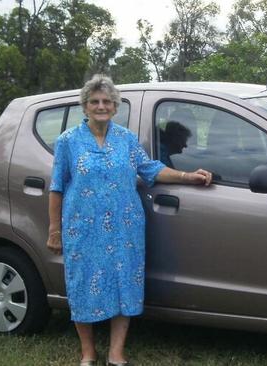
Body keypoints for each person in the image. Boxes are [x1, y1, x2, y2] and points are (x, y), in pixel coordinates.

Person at [46, 74, 212, 366]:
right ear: (85, 106)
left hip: (125, 228)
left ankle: (116, 353)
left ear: (115, 106)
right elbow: (57, 186)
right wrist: (54, 230)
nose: (101, 106)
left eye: (107, 102)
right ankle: (88, 353)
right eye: (95, 101)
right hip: (83, 228)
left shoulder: (126, 138)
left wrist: (187, 176)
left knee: (124, 284)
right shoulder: (68, 142)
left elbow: (149, 169)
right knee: (82, 284)